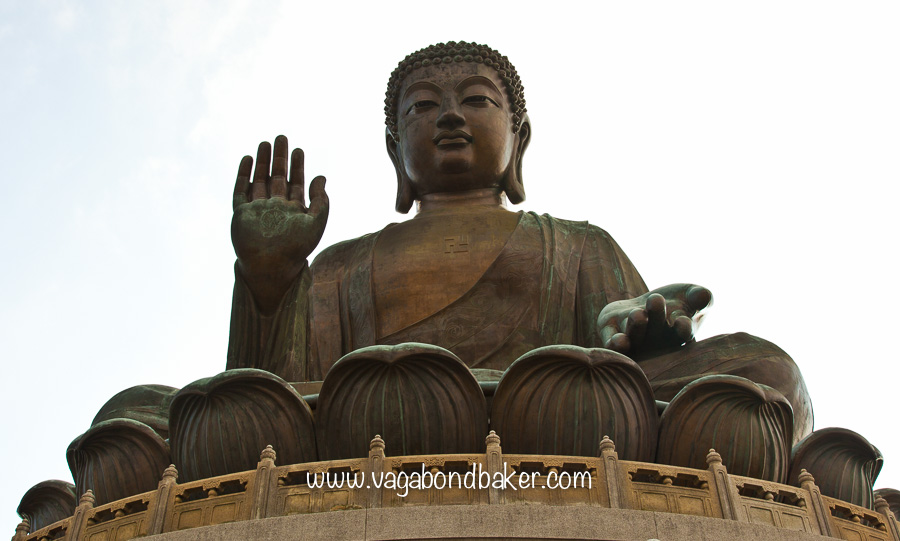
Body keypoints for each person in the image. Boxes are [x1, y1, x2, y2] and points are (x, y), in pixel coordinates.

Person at [226, 41, 812, 442]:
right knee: (143, 410)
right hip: (379, 419)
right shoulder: (341, 265)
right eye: (424, 106)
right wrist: (269, 281)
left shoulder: (578, 245)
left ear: (519, 138)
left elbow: (621, 358)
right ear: (393, 151)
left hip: (552, 411)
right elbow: (264, 391)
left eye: (476, 100)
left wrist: (637, 332)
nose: (450, 116)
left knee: (766, 373)